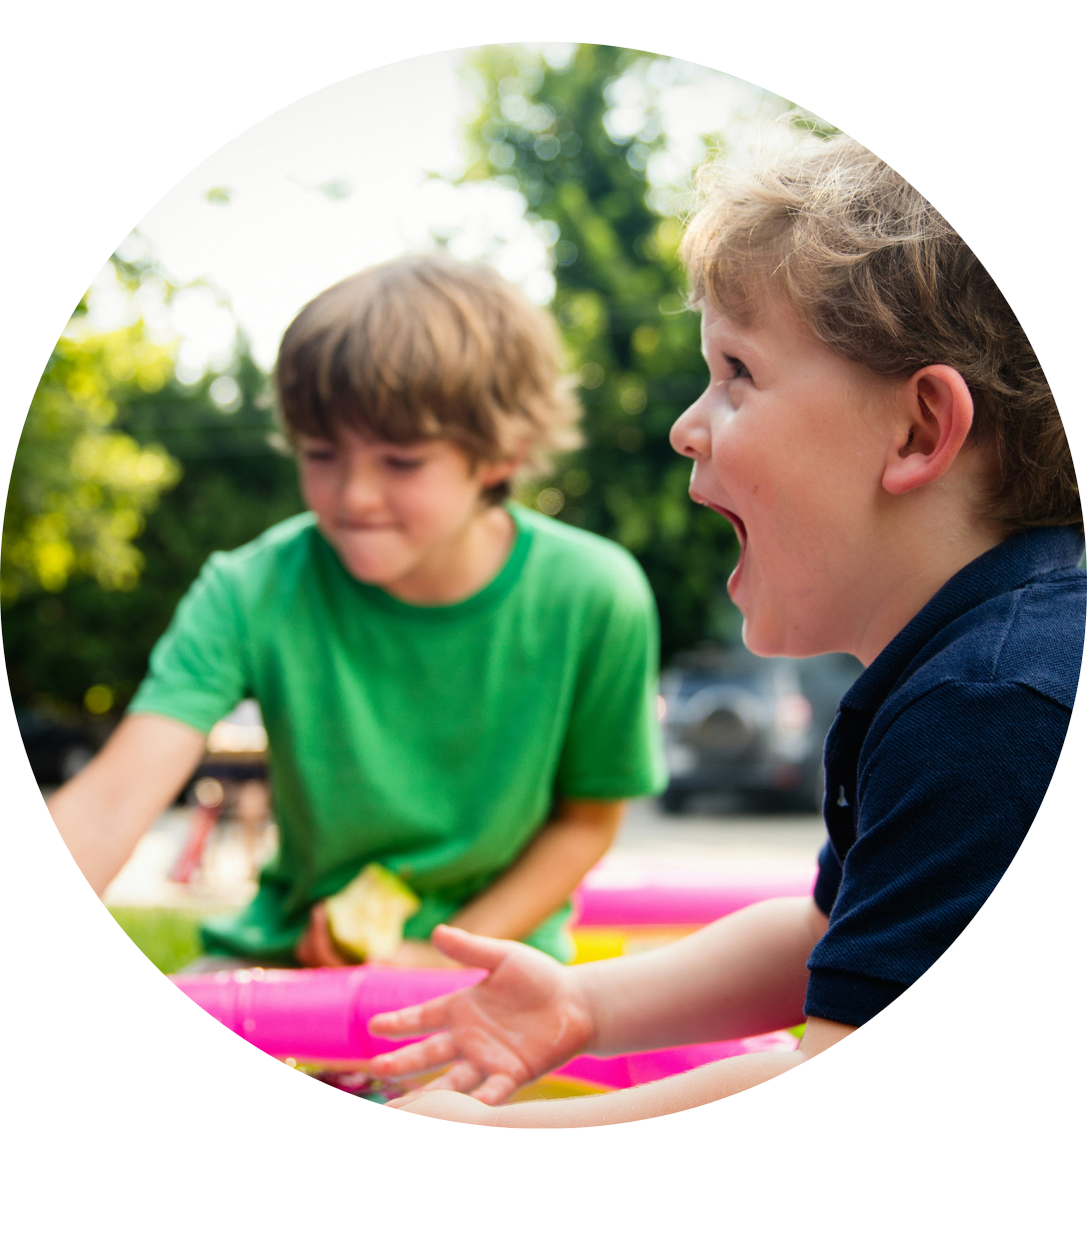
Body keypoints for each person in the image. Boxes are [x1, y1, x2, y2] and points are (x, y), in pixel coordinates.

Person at [366, 134, 1085, 1123]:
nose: (684, 425)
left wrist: (504, 1140)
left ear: (917, 430)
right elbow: (829, 935)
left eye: (736, 371)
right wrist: (582, 1003)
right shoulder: (960, 674)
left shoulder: (994, 708)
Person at [48, 255, 666, 969]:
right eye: (320, 454)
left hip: (496, 967)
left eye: (400, 462)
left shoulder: (595, 593)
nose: (353, 496)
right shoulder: (250, 588)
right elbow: (109, 804)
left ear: (503, 454)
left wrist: (438, 958)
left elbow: (585, 823)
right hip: (285, 958)